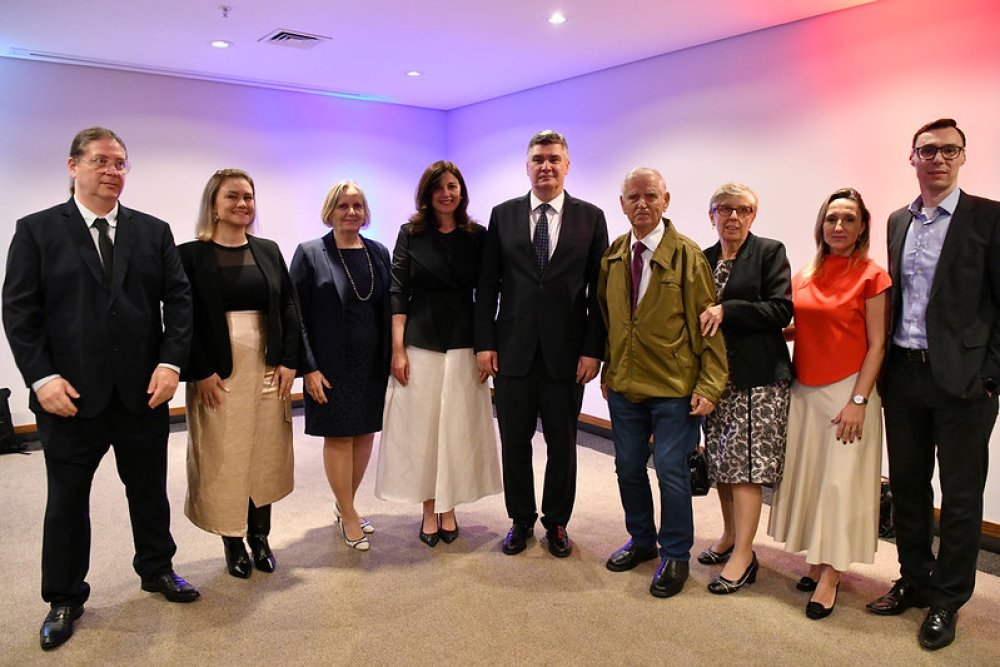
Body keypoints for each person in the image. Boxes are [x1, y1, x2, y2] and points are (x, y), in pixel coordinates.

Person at [2, 127, 198, 652]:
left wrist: (171, 364)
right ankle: (64, 597)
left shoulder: (152, 231)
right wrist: (41, 378)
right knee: (67, 501)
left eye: (120, 163)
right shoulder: (37, 230)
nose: (113, 171)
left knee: (149, 491)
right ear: (74, 166)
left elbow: (179, 302)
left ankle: (157, 569)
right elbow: (19, 311)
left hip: (143, 392)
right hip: (69, 396)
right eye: (101, 161)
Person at [866, 118, 1000, 651]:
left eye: (949, 150)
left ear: (962, 156)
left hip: (966, 382)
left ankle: (947, 600)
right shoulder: (898, 221)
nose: (938, 159)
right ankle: (915, 580)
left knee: (961, 497)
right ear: (913, 158)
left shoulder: (989, 217)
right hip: (904, 375)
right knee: (908, 487)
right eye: (928, 150)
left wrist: (991, 375)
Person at [474, 130, 608, 558]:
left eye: (553, 159)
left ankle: (557, 522)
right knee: (514, 442)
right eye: (538, 159)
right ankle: (520, 520)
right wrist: (484, 343)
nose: (545, 166)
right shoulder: (504, 215)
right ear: (527, 166)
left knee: (562, 444)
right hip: (512, 352)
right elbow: (487, 284)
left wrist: (593, 349)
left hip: (566, 356)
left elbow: (600, 292)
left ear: (567, 165)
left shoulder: (591, 218)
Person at [598, 168, 728, 598]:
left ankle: (675, 555)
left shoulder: (688, 257)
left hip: (674, 388)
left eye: (651, 196)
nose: (642, 204)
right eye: (633, 197)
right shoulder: (614, 255)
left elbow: (708, 328)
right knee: (627, 466)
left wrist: (709, 385)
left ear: (665, 201)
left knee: (671, 470)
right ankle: (641, 541)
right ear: (622, 204)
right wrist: (609, 368)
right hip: (625, 385)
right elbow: (609, 318)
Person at [767, 187, 890, 620]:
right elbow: (804, 327)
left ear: (862, 227)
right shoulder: (806, 273)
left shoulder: (873, 276)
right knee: (815, 479)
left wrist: (859, 400)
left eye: (849, 219)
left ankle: (831, 576)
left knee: (840, 485)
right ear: (821, 225)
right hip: (805, 390)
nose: (839, 226)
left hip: (848, 392)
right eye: (832, 218)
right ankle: (818, 559)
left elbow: (877, 345)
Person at [179, 169, 299, 578]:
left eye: (248, 196)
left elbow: (288, 305)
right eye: (232, 196)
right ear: (213, 205)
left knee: (264, 453)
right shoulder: (190, 255)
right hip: (217, 371)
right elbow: (182, 318)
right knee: (225, 455)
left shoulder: (267, 250)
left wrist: (289, 361)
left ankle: (259, 536)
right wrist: (200, 371)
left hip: (267, 366)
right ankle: (232, 540)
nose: (242, 204)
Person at [376, 161, 502, 546]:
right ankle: (430, 508)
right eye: (438, 188)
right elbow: (398, 292)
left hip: (464, 344)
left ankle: (450, 507)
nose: (446, 194)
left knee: (458, 430)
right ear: (427, 194)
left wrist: (486, 346)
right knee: (423, 430)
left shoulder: (477, 236)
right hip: (421, 342)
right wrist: (397, 349)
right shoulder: (410, 234)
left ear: (461, 191)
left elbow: (487, 294)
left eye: (452, 186)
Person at [699, 183, 793, 594]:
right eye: (724, 209)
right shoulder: (704, 258)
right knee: (722, 463)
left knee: (746, 469)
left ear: (753, 215)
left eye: (742, 210)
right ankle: (729, 535)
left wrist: (727, 310)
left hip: (758, 379)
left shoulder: (769, 252)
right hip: (716, 380)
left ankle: (744, 555)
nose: (733, 216)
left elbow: (780, 309)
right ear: (712, 216)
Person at [290, 181, 391, 552]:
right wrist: (308, 368)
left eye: (357, 205)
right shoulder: (310, 253)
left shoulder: (378, 252)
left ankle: (344, 503)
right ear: (329, 211)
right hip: (330, 365)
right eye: (343, 205)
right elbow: (296, 315)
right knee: (339, 437)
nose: (351, 212)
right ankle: (348, 514)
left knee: (364, 434)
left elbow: (387, 308)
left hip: (371, 363)